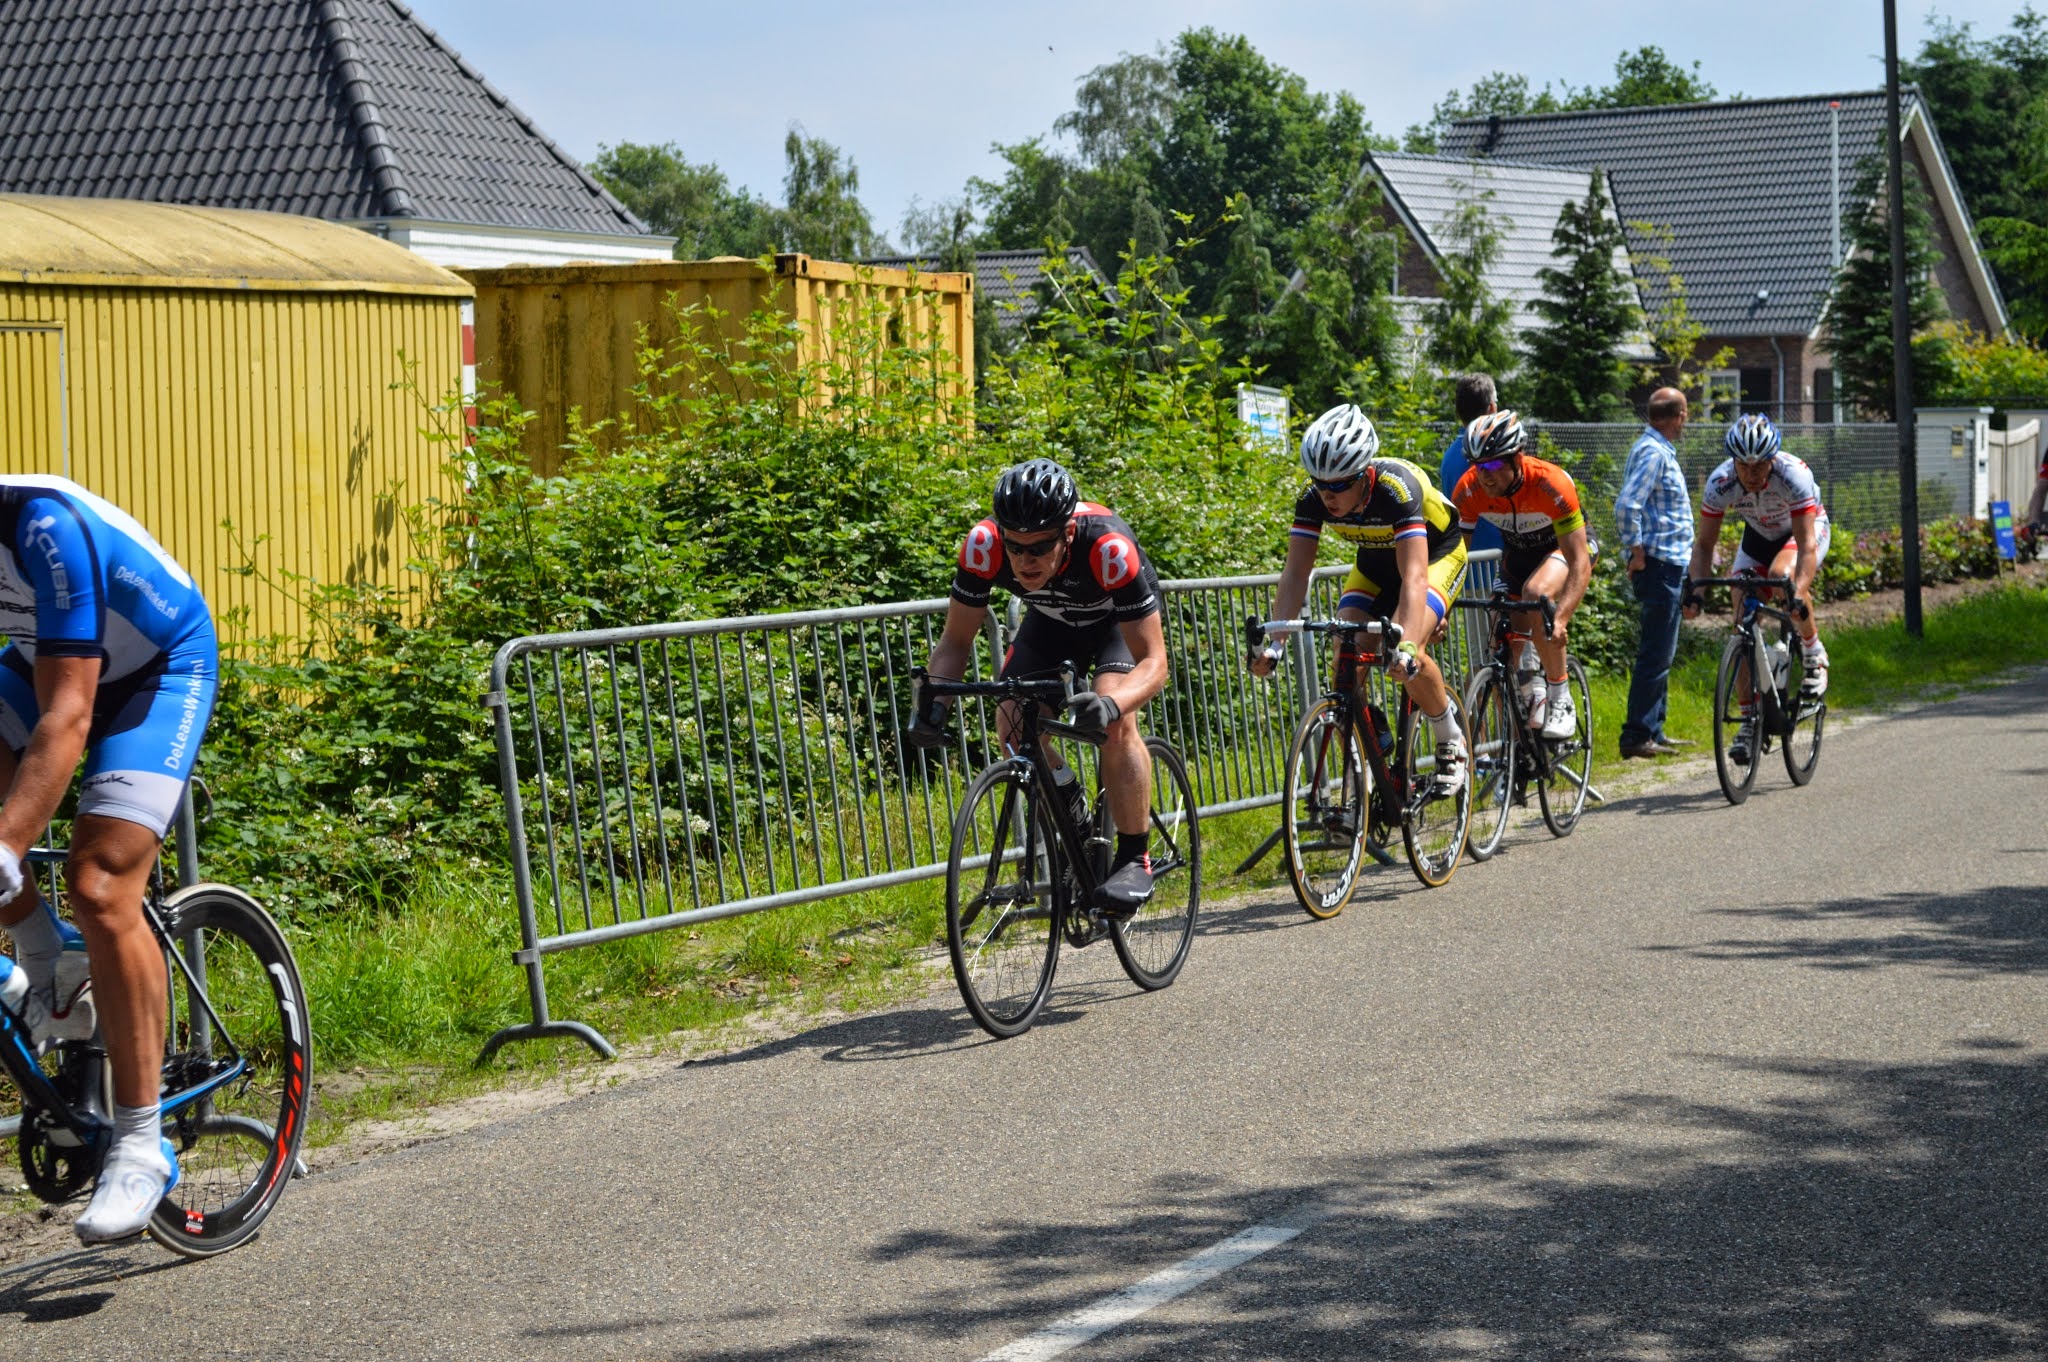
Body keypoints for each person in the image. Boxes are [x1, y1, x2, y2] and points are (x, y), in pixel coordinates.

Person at [0, 474, 216, 1243]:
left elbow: (68, 714)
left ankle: (139, 1140)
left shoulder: (42, 525)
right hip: (46, 660)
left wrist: (8, 846)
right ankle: (43, 948)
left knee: (98, 884)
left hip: (158, 671)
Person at [906, 459, 1169, 913]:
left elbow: (1154, 661)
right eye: (1015, 547)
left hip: (1115, 626)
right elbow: (956, 640)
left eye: (1040, 547)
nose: (1025, 561)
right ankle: (1069, 798)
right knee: (1012, 726)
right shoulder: (983, 545)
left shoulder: (1108, 548)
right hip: (1050, 625)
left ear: (1068, 533)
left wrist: (1111, 705)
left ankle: (1134, 857)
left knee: (1116, 723)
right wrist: (934, 703)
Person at [1248, 404, 1470, 793]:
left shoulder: (1396, 489)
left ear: (1364, 475)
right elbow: (1296, 572)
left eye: (1338, 486)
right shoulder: (1313, 498)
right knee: (1344, 655)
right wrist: (1276, 643)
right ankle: (1363, 753)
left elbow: (1414, 576)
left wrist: (1406, 643)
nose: (1327, 495)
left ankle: (1449, 735)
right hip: (1375, 562)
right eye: (1319, 483)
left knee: (1409, 652)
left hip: (1435, 555)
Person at [1682, 414, 1832, 763]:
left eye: (1760, 465)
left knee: (1782, 575)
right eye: (1743, 465)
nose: (1751, 474)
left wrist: (1798, 591)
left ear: (1772, 459)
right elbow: (1704, 545)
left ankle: (1813, 651)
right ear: (1733, 462)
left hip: (1803, 531)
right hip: (1759, 537)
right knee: (1740, 612)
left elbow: (1806, 546)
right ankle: (1749, 721)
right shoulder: (1720, 483)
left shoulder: (1793, 475)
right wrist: (1696, 593)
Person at [1448, 411, 1593, 740]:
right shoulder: (1469, 489)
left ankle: (1560, 696)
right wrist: (1438, 607)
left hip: (1566, 549)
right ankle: (1524, 729)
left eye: (1493, 465)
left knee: (1536, 594)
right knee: (1501, 636)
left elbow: (1579, 561)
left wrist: (1561, 618)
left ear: (1517, 458)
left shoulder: (1549, 483)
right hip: (1519, 555)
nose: (1484, 476)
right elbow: (1454, 557)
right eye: (1477, 465)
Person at [1613, 387, 1695, 759]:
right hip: (1659, 565)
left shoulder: (1656, 449)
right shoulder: (1653, 452)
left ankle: (1654, 730)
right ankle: (1638, 734)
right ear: (1679, 415)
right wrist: (1637, 552)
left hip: (1668, 564)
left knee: (1663, 652)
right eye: (1685, 415)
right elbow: (1627, 504)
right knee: (1655, 653)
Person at [1438, 374, 1505, 558]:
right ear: (1492, 408)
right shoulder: (1497, 455)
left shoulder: (1450, 455)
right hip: (1496, 561)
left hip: (1465, 560)